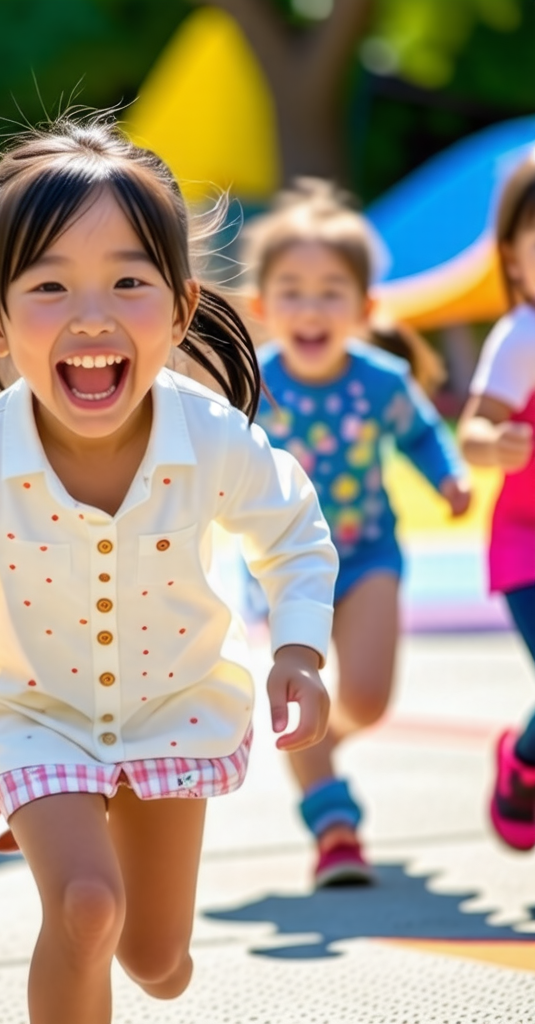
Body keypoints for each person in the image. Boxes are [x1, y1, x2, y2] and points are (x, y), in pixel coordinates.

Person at [0, 115, 338, 1024]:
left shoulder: (211, 437)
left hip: (177, 709)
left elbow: (293, 535)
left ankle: (152, 957)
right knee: (87, 907)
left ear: (179, 308)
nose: (92, 316)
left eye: (128, 281)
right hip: (32, 717)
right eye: (49, 286)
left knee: (157, 958)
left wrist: (299, 651)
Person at [246, 179, 471, 887]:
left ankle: (324, 739)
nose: (310, 307)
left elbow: (423, 434)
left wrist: (449, 477)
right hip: (281, 567)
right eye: (292, 290)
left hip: (368, 552)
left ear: (367, 308)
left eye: (330, 291)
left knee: (367, 699)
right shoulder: (253, 383)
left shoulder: (381, 381)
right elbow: (209, 457)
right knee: (302, 693)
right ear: (262, 306)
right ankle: (333, 823)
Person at [459, 152, 535, 852]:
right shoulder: (522, 338)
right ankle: (522, 765)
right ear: (513, 257)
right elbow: (474, 426)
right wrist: (494, 444)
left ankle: (526, 760)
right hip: (527, 545)